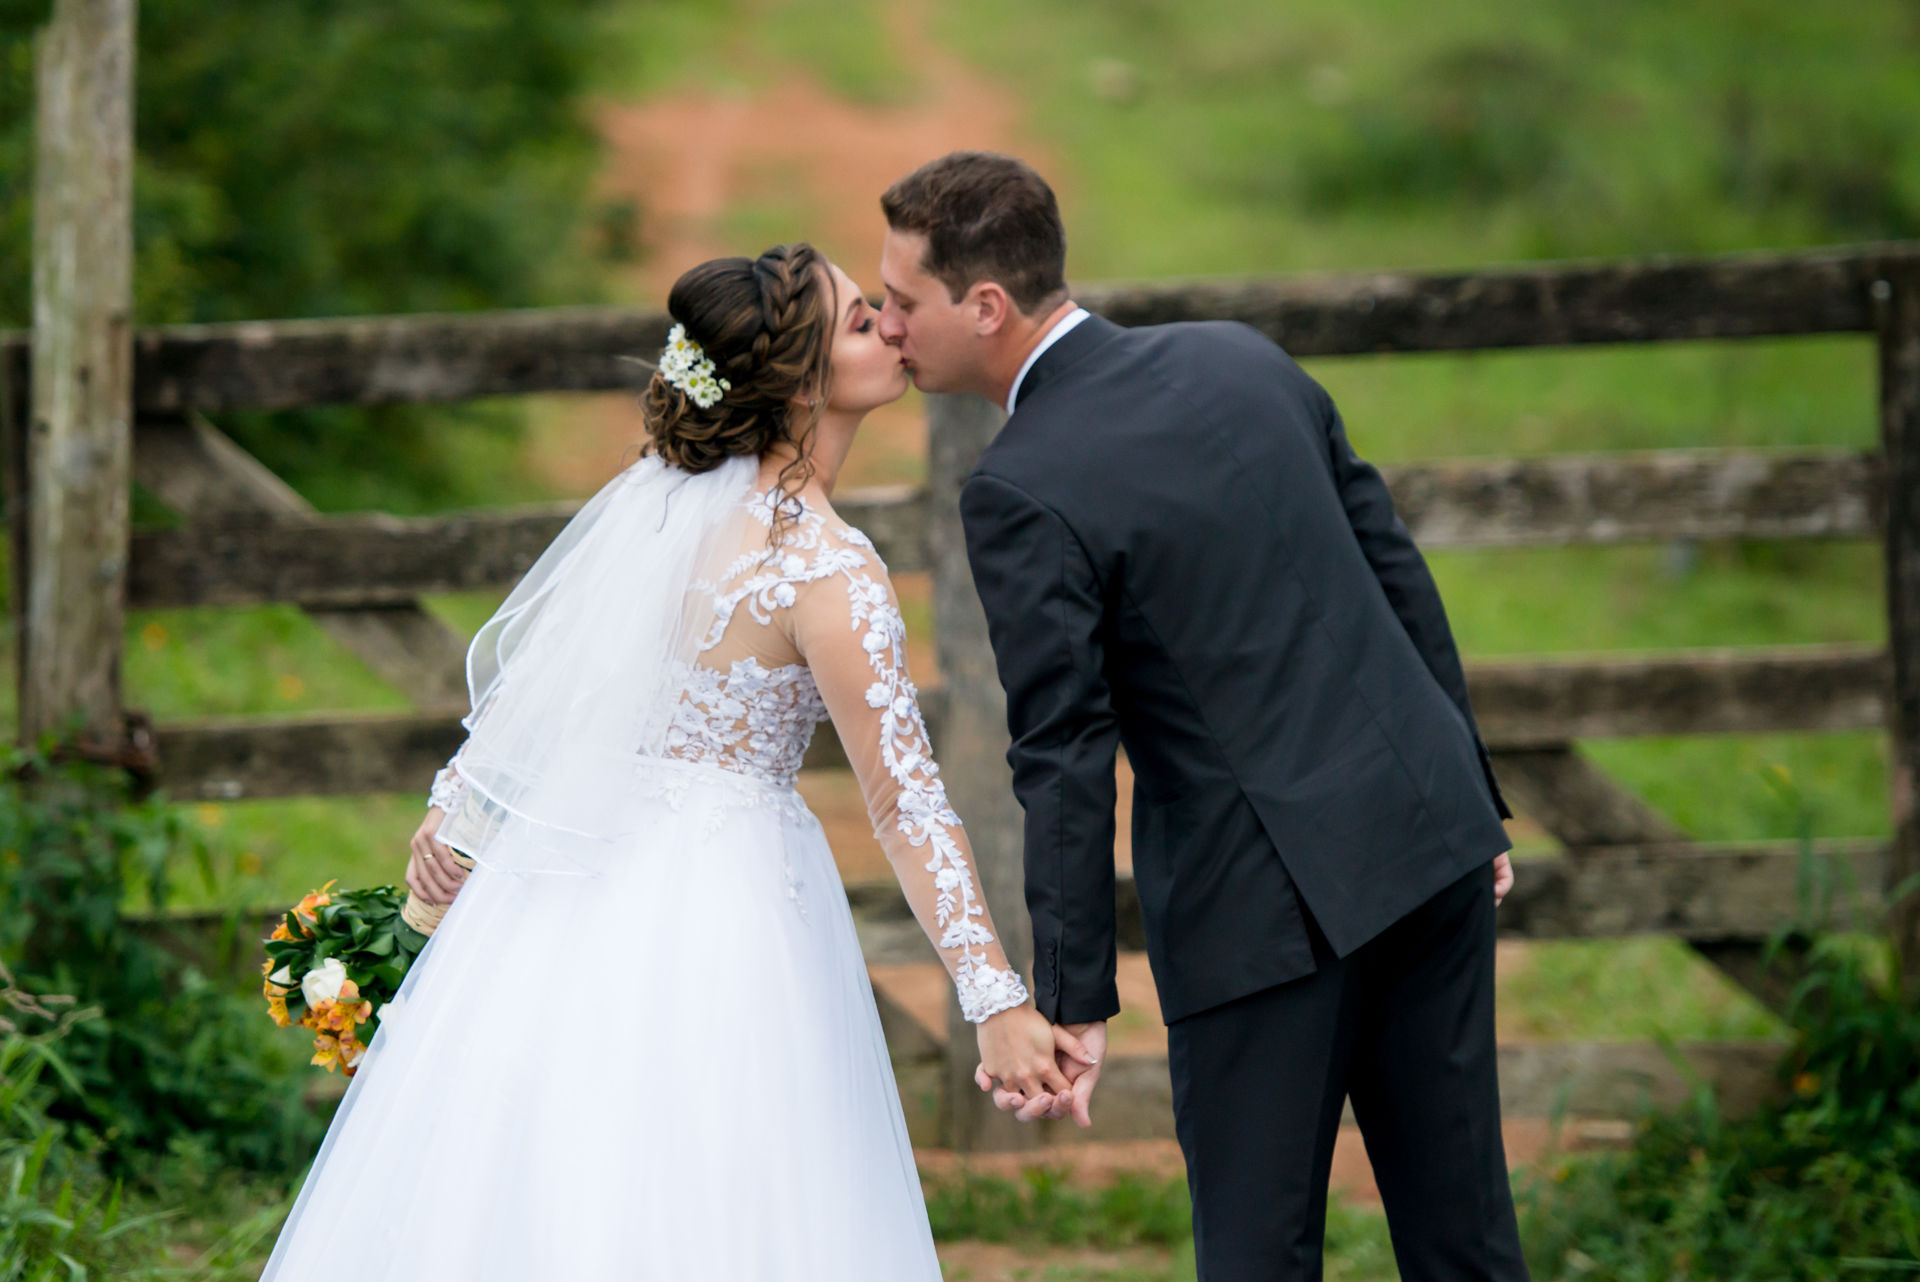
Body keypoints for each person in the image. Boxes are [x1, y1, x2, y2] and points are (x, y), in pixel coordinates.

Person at [260, 243, 1089, 1281]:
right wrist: (995, 997)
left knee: (551, 1171)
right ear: (797, 380)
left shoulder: (656, 506)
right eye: (861, 319)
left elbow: (551, 689)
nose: (891, 326)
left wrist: (461, 808)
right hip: (725, 908)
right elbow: (904, 802)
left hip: (564, 888)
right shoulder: (828, 570)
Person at [877, 151, 1531, 1281]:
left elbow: (1063, 749)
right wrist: (1468, 796)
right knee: (1464, 1235)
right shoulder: (1241, 358)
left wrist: (1073, 996)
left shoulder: (1022, 483)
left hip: (1263, 908)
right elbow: (1397, 578)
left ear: (986, 307)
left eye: (902, 301)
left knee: (1256, 1253)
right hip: (1427, 843)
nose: (888, 325)